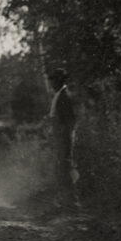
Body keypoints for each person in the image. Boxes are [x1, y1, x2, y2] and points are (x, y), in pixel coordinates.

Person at [47, 68, 79, 206]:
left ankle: (72, 201)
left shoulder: (64, 96)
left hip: (64, 138)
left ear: (59, 81)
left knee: (65, 168)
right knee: (61, 169)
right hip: (60, 138)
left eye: (54, 80)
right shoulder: (59, 95)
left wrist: (65, 140)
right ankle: (66, 200)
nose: (52, 83)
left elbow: (69, 122)